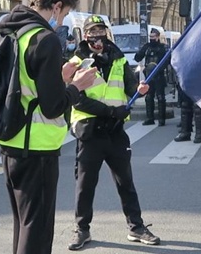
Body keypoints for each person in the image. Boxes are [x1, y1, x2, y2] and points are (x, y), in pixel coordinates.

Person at [0, 0, 98, 254]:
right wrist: (76, 86)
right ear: (56, 6)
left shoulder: (12, 30)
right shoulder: (46, 39)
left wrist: (58, 78)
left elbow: (27, 84)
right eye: (63, 15)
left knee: (23, 224)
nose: (62, 22)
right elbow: (52, 106)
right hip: (37, 145)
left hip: (10, 140)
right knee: (37, 231)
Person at [67, 15, 160, 250]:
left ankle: (136, 227)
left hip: (116, 131)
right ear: (85, 34)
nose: (97, 35)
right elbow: (77, 100)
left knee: (125, 182)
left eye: (101, 30)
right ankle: (82, 230)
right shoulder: (77, 61)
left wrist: (140, 89)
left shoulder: (118, 58)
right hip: (90, 131)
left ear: (106, 33)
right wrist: (111, 112)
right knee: (85, 185)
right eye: (92, 31)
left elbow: (129, 87)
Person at [134, 29, 169, 126]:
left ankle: (162, 119)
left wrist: (159, 69)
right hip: (149, 75)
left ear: (158, 37)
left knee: (160, 97)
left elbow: (166, 61)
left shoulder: (163, 47)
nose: (152, 39)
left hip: (159, 75)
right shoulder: (147, 47)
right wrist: (141, 52)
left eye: (153, 37)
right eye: (150, 37)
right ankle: (150, 118)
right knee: (149, 97)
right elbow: (138, 58)